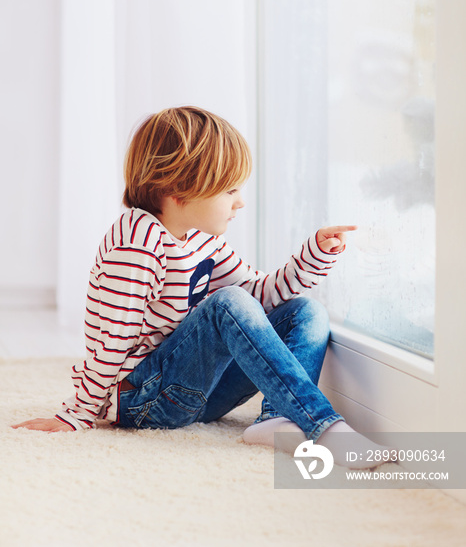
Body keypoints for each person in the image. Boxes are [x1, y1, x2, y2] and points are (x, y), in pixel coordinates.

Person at [13, 106, 389, 467]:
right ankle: (322, 425)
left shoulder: (200, 239)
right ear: (180, 191)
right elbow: (113, 338)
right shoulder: (136, 242)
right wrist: (77, 413)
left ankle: (275, 420)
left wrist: (314, 256)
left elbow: (259, 297)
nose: (240, 202)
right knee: (228, 303)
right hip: (140, 398)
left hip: (194, 391)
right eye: (229, 191)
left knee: (304, 312)